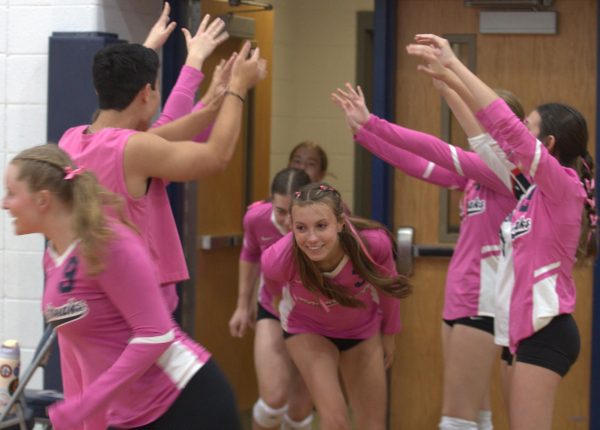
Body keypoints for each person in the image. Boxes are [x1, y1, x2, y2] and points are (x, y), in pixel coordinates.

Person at [407, 34, 594, 430]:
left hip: (548, 329)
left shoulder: (562, 185)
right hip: (520, 330)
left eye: (528, 129)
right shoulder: (528, 191)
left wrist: (455, 65)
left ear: (548, 143)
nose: (516, 134)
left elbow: (502, 124)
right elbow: (484, 134)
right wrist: (449, 84)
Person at [332, 80, 528, 430]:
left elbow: (435, 149)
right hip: (460, 298)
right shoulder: (474, 178)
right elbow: (417, 164)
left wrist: (373, 123)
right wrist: (363, 133)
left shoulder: (509, 175)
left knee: (455, 419)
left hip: (483, 301)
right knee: (476, 414)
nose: (475, 132)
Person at [3, 144, 241, 430]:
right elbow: (78, 349)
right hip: (128, 414)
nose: (5, 203)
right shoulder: (52, 256)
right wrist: (83, 420)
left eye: (12, 193)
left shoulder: (109, 243)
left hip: (185, 402)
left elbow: (156, 335)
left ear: (43, 200)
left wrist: (85, 404)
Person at [58, 22, 266, 316]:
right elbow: (216, 156)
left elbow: (163, 129)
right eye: (153, 89)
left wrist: (206, 98)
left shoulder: (73, 139)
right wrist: (237, 89)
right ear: (146, 93)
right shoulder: (134, 149)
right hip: (136, 303)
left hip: (95, 295)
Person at [261, 183, 410, 430]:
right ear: (292, 228)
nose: (312, 238)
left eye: (321, 226)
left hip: (361, 330)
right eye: (301, 228)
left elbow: (388, 290)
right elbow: (271, 281)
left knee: (373, 425)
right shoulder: (278, 258)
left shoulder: (373, 245)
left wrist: (390, 334)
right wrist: (277, 301)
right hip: (308, 329)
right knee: (335, 420)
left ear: (340, 222)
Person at [229, 167, 314, 430]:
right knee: (273, 401)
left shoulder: (327, 219)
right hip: (272, 310)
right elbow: (250, 255)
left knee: (300, 411)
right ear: (270, 202)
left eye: (293, 212)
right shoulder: (256, 218)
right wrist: (242, 306)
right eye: (280, 211)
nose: (287, 220)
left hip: (314, 319)